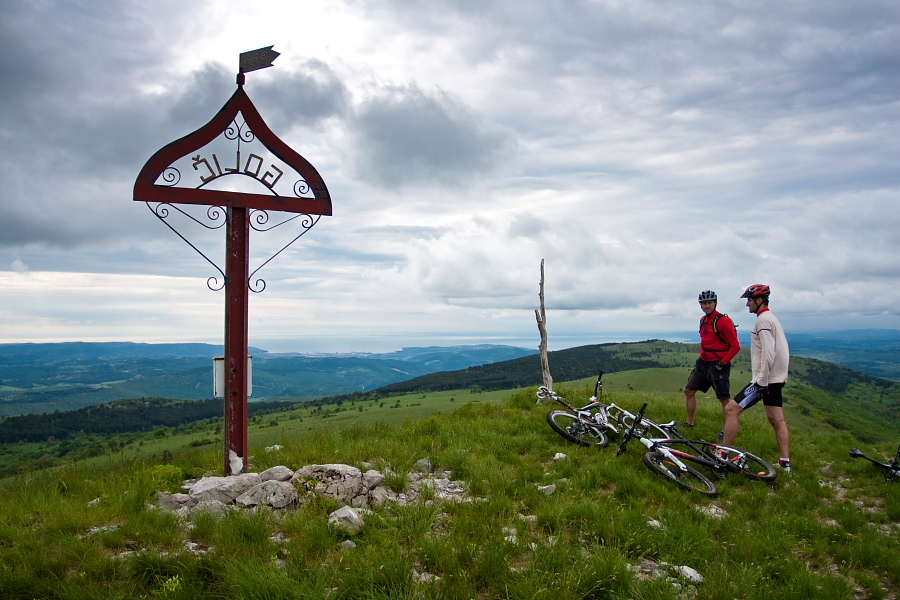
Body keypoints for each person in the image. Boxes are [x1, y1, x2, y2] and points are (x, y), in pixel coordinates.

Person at [723, 284, 792, 473]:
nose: (747, 304)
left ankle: (723, 454)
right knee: (777, 420)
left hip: (766, 380)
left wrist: (761, 383)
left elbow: (769, 353)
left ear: (759, 300)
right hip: (776, 378)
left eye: (749, 300)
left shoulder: (763, 321)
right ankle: (785, 464)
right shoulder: (771, 318)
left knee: (731, 410)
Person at [682, 290, 740, 433]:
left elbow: (735, 346)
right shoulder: (703, 320)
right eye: (704, 303)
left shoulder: (723, 321)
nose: (707, 306)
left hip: (718, 364)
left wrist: (723, 362)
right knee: (688, 391)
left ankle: (725, 432)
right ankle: (689, 423)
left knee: (724, 399)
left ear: (715, 303)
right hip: (703, 362)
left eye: (709, 303)